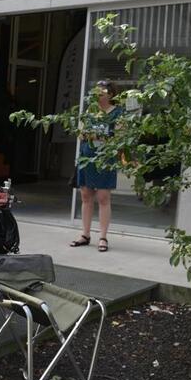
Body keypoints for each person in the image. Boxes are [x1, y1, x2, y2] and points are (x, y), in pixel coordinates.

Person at [70, 80, 123, 253]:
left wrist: (101, 137)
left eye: (102, 90)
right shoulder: (90, 111)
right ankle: (85, 234)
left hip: (105, 159)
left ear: (111, 94)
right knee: (85, 195)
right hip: (87, 157)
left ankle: (103, 236)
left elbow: (120, 138)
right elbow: (81, 134)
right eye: (97, 90)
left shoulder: (118, 113)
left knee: (103, 197)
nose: (99, 93)